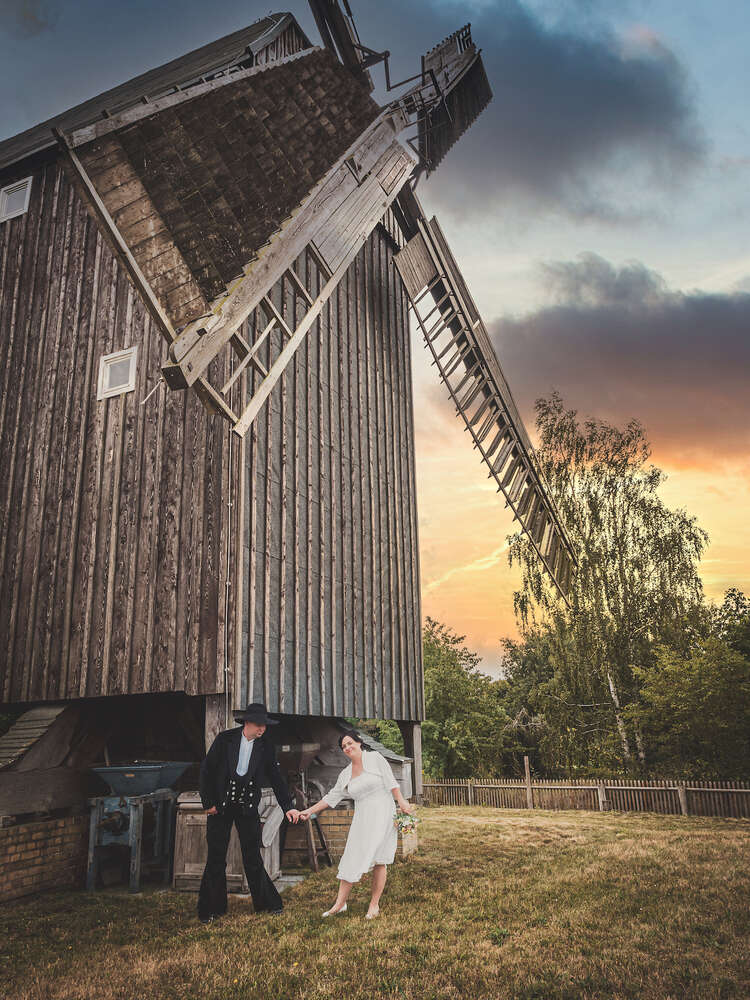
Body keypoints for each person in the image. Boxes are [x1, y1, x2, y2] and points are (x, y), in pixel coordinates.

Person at [198, 702, 300, 923]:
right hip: (220, 807)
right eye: (259, 724)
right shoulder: (225, 740)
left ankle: (266, 904)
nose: (262, 728)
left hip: (247, 807)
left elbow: (276, 778)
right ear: (247, 723)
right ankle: (212, 909)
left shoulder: (265, 746)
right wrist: (208, 802)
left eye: (265, 725)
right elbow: (206, 770)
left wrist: (288, 807)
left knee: (252, 856)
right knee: (216, 857)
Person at [299, 730, 415, 919]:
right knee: (352, 856)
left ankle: (374, 905)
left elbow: (391, 782)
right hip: (362, 819)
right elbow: (331, 797)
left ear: (359, 742)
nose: (347, 748)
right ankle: (339, 904)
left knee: (379, 859)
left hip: (383, 813)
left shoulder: (375, 758)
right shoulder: (345, 774)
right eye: (343, 746)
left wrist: (401, 801)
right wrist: (309, 810)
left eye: (350, 743)